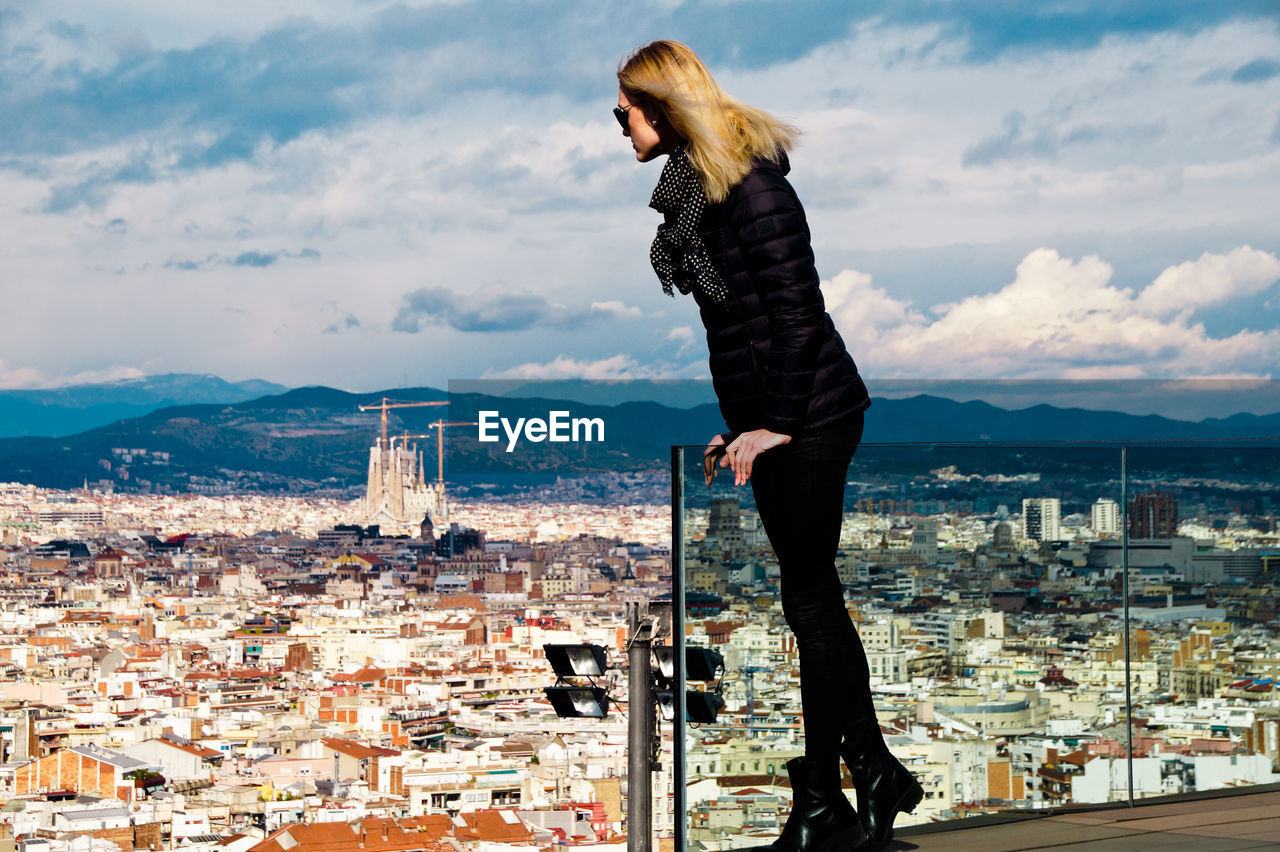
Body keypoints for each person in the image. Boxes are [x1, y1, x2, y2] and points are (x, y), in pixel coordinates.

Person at [617, 41, 923, 852]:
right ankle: (865, 777)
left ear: (663, 106)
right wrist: (742, 419)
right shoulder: (701, 195)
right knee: (812, 603)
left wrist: (776, 420)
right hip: (782, 413)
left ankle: (827, 797)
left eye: (625, 112)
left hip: (815, 415)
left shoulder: (754, 190)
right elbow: (741, 330)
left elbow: (796, 315)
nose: (618, 128)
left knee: (813, 606)